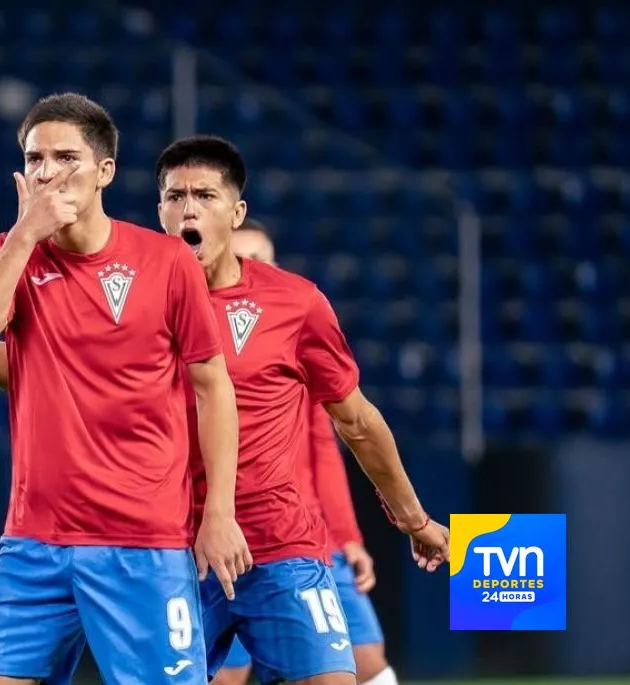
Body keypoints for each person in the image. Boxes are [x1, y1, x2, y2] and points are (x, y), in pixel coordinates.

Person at [0, 92, 246, 685]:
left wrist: (218, 513)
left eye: (66, 158)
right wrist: (24, 236)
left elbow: (213, 388)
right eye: (35, 159)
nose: (47, 173)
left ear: (104, 171)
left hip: (142, 541)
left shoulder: (167, 262)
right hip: (33, 540)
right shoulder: (10, 254)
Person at [155, 135, 447, 685]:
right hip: (173, 552)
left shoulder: (296, 303)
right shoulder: (136, 302)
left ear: (236, 212)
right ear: (161, 211)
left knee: (348, 673)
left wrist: (413, 518)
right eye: (175, 196)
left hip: (281, 546)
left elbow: (356, 422)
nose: (189, 209)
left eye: (205, 196)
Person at [213, 222, 397, 685]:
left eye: (262, 258)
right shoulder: (198, 345)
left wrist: (346, 536)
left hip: (304, 538)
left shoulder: (294, 339)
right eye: (241, 256)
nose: (251, 267)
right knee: (226, 676)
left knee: (367, 662)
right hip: (224, 540)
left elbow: (324, 452)